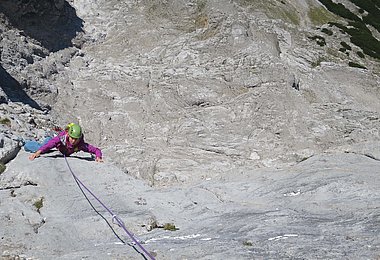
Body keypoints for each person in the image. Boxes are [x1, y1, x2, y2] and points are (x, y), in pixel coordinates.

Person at [29, 123, 103, 162]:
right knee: (38, 148)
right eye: (72, 138)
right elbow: (50, 144)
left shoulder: (81, 145)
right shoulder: (62, 137)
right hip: (51, 142)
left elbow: (96, 150)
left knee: (45, 148)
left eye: (76, 139)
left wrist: (98, 157)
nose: (73, 141)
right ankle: (25, 142)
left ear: (79, 138)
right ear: (68, 134)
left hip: (58, 148)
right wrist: (38, 152)